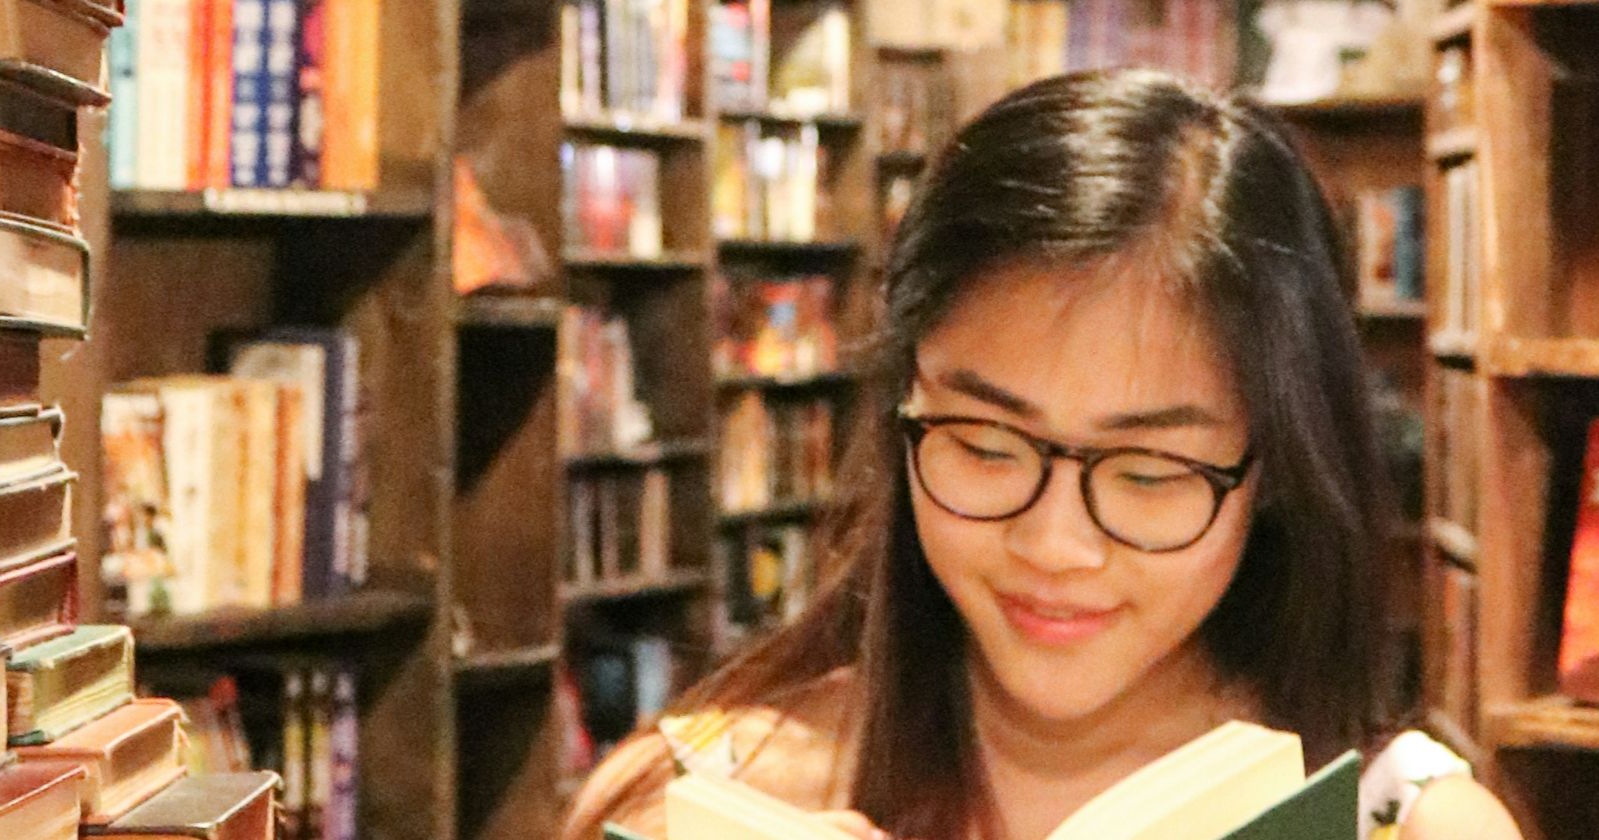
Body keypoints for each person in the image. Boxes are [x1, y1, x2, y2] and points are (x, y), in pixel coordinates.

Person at [561, 69, 1522, 840]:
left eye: (1150, 474)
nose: (1055, 546)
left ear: (1274, 469)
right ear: (904, 413)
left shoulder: (1410, 824)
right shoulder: (701, 798)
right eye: (985, 447)